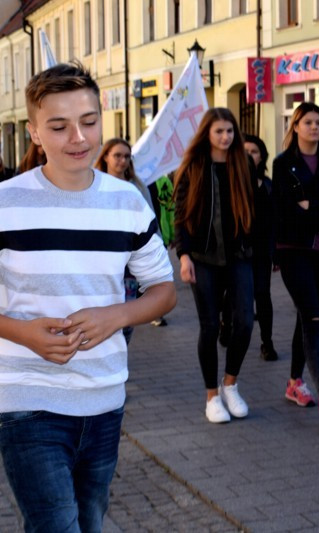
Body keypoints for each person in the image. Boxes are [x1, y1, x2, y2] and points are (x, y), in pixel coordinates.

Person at [0, 62, 176, 532]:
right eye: (59, 126)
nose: (78, 137)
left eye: (89, 121)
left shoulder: (127, 201)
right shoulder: (6, 202)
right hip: (27, 400)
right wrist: (21, 333)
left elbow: (164, 291)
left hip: (104, 399)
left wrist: (115, 315)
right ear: (35, 132)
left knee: (90, 522)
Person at [174, 107, 255, 424]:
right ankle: (211, 396)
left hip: (239, 256)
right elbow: (181, 215)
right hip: (203, 258)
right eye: (219, 131)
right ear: (207, 133)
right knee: (209, 327)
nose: (225, 137)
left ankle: (230, 384)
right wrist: (184, 256)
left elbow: (257, 209)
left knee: (245, 322)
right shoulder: (194, 165)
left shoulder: (243, 163)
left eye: (230, 131)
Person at [272, 102, 319, 422]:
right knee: (312, 317)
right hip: (294, 250)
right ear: (296, 126)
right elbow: (284, 209)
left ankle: (294, 382)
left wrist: (311, 205)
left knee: (307, 316)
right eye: (308, 122)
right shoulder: (283, 163)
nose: (314, 127)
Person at [219, 134, 278, 361]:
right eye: (245, 151)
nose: (249, 156)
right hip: (236, 250)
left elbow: (275, 221)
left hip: (261, 251)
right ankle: (226, 324)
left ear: (262, 156)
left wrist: (276, 253)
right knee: (231, 292)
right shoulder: (230, 183)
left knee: (263, 294)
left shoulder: (269, 186)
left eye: (254, 151)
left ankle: (267, 343)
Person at [95, 138, 156, 344]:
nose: (122, 161)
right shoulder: (94, 185)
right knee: (103, 313)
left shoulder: (137, 188)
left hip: (129, 263)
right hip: (101, 263)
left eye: (127, 156)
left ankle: (121, 351)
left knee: (127, 319)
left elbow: (150, 223)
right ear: (105, 157)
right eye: (117, 156)